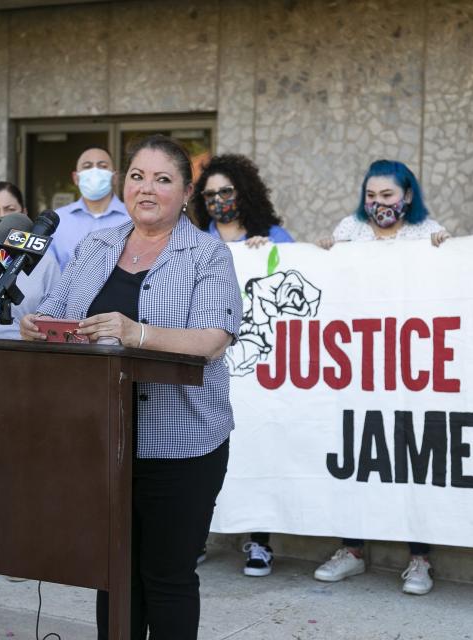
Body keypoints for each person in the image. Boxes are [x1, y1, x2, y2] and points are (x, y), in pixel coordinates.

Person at [20, 134, 241, 639]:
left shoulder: (207, 255)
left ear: (186, 193)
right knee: (114, 577)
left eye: (163, 179)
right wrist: (36, 323)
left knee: (166, 578)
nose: (147, 188)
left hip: (181, 444)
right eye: (138, 176)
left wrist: (136, 333)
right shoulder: (97, 245)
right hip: (104, 442)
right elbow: (59, 310)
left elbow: (211, 340)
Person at [316, 159, 448, 595]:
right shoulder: (348, 231)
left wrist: (447, 250)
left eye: (387, 196)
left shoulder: (425, 232)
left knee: (412, 456)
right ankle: (352, 550)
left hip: (409, 366)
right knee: (356, 452)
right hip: (357, 362)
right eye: (371, 196)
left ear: (407, 195)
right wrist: (319, 255)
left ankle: (419, 559)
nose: (378, 204)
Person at [190, 153, 294, 576]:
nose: (218, 200)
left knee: (259, 449)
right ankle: (196, 536)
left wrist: (269, 253)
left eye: (226, 192)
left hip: (262, 368)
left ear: (243, 192)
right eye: (210, 194)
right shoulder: (196, 239)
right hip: (213, 364)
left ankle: (259, 542)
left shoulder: (274, 237)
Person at [0, 181, 60, 341]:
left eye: (10, 210)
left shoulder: (46, 262)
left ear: (24, 212)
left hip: (29, 354)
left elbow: (57, 317)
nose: (3, 217)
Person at [49, 145, 129, 269]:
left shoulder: (133, 218)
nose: (95, 171)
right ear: (76, 178)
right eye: (87, 166)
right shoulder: (57, 220)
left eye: (103, 166)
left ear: (115, 177)